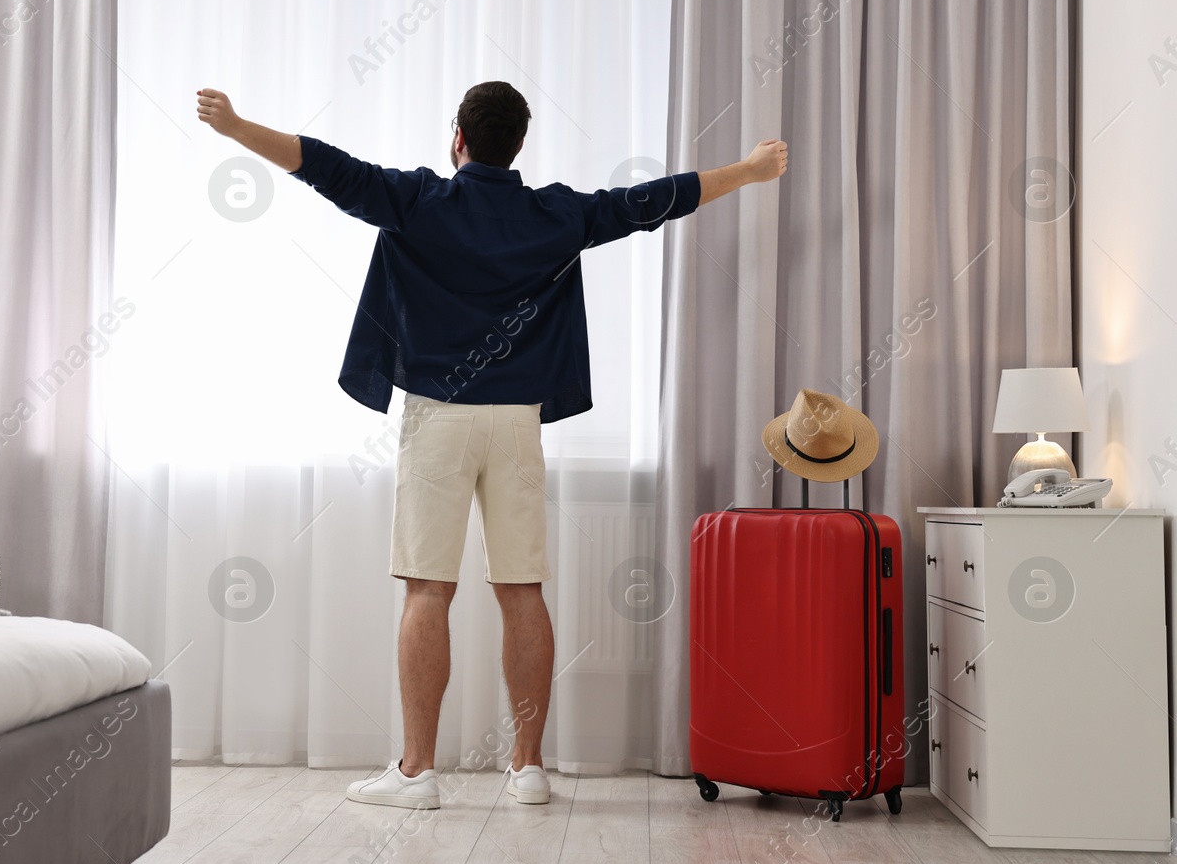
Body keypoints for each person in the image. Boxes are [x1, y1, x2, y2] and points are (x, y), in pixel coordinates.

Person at [195, 81, 787, 809]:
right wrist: (750, 170)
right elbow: (651, 202)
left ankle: (416, 774)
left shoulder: (418, 200)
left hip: (439, 417)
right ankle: (528, 768)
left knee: (427, 588)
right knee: (521, 589)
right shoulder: (554, 213)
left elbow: (325, 167)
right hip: (515, 421)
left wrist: (237, 127)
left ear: (458, 139)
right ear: (517, 147)